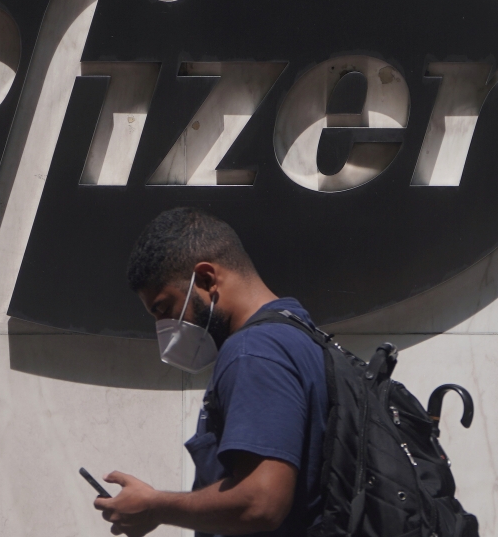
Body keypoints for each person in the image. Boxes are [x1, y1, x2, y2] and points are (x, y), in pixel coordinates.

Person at [94, 207, 328, 537]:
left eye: (165, 308)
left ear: (206, 279)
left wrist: (155, 506)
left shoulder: (253, 350)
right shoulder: (301, 334)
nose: (165, 328)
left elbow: (261, 503)